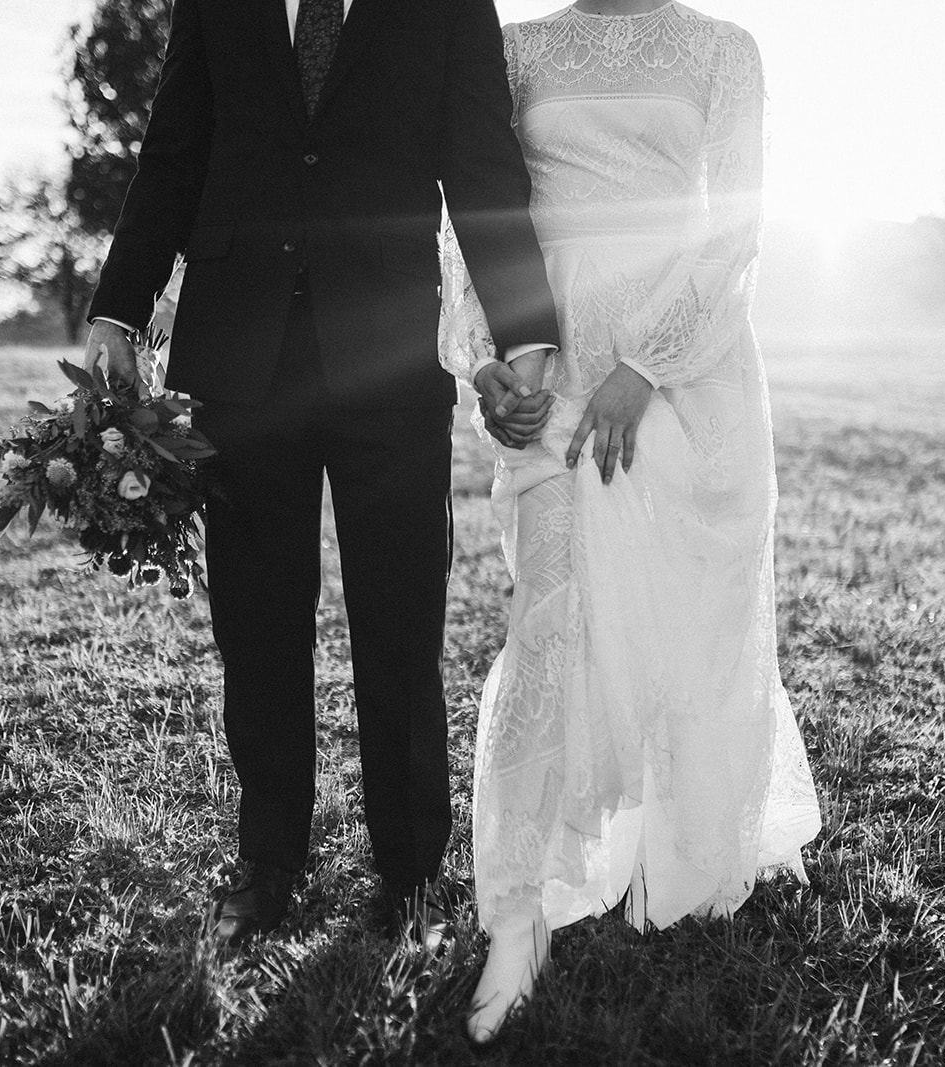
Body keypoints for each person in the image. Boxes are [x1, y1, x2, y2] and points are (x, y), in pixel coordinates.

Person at [82, 0, 562, 951]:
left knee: (400, 612)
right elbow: (174, 148)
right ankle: (268, 862)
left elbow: (481, 163)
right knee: (257, 620)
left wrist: (525, 329)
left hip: (388, 348)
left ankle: (413, 870)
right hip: (237, 349)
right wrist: (118, 309)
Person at [438, 0, 823, 1043]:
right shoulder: (516, 49)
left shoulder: (719, 50)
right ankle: (533, 879)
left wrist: (647, 363)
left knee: (681, 618)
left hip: (681, 361)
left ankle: (681, 850)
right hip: (549, 349)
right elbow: (474, 212)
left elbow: (735, 220)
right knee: (556, 611)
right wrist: (486, 353)